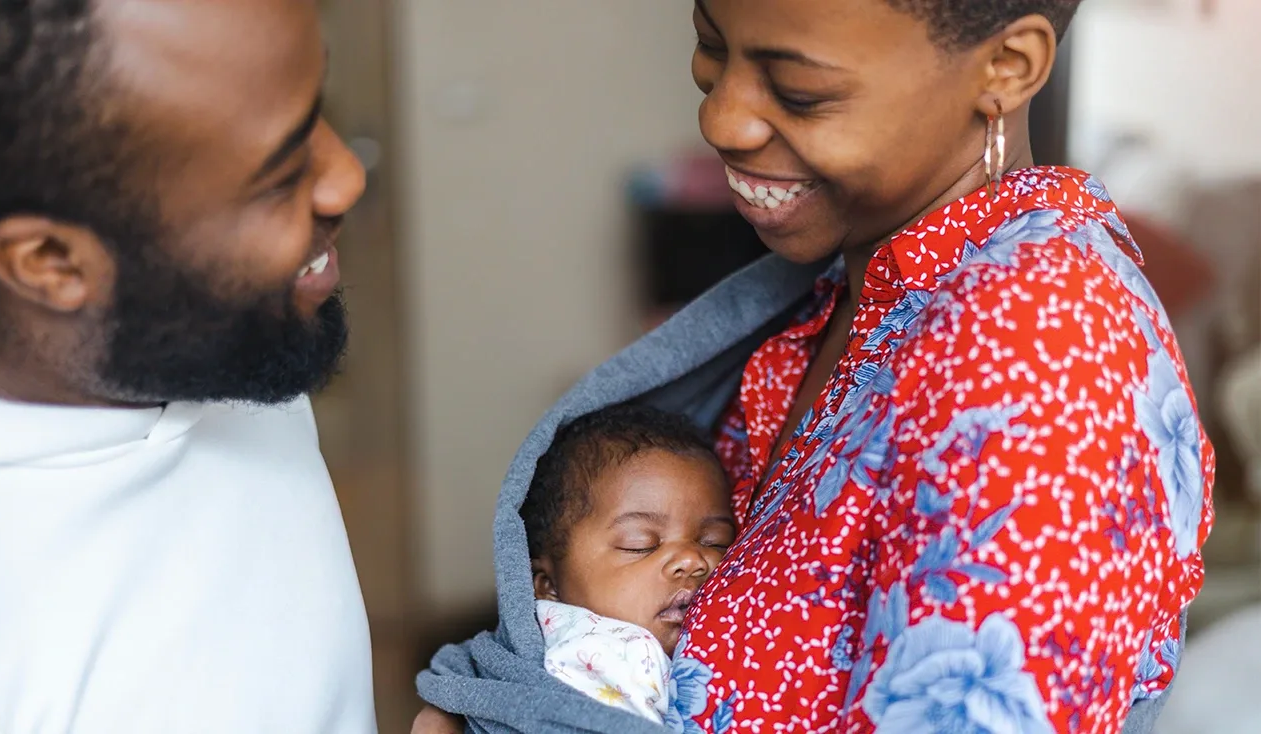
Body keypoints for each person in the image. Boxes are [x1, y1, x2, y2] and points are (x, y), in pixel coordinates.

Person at [416, 1, 1215, 732]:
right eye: (710, 48)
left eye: (798, 90)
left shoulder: (1041, 348)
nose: (721, 119)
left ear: (1006, 69)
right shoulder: (846, 294)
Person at [0, 1, 375, 732]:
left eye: (316, 109)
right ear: (51, 264)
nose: (346, 178)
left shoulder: (203, 336)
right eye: (277, 177)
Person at [521, 405, 735, 724]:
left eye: (714, 541)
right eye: (641, 544)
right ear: (548, 586)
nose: (691, 560)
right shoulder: (603, 657)